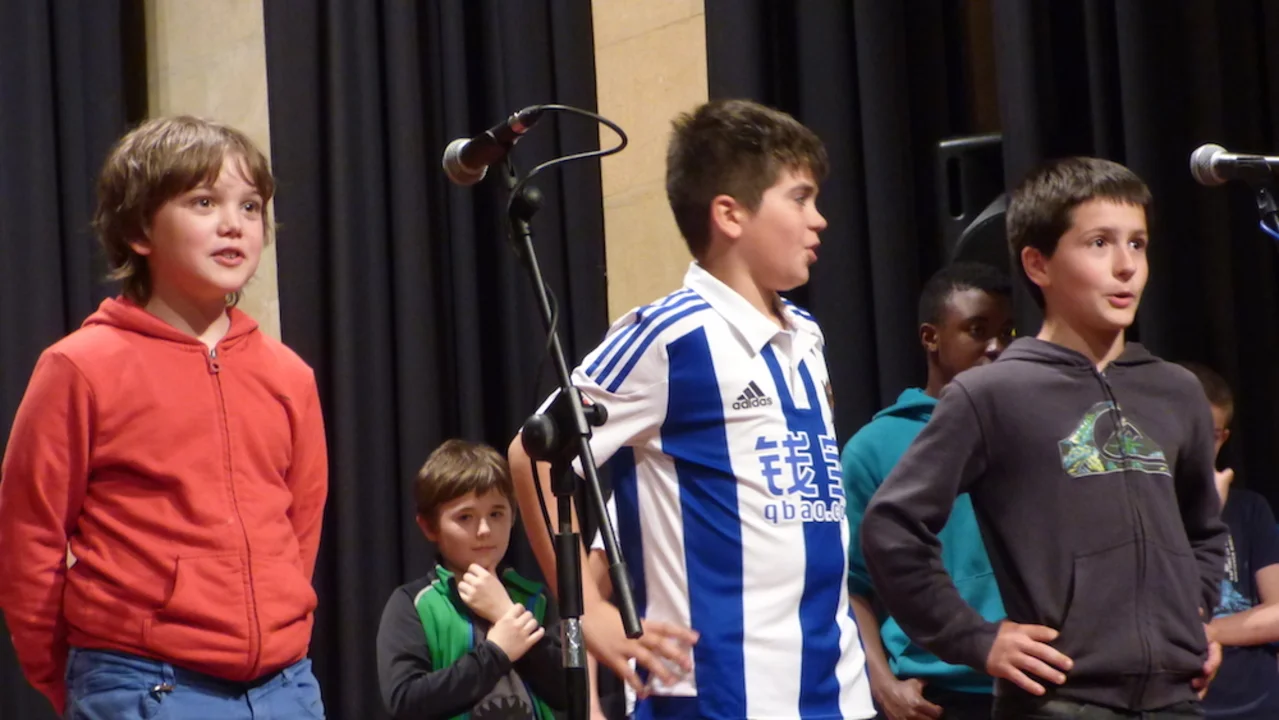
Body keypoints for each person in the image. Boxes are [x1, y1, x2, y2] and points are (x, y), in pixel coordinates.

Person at [508, 98, 874, 719]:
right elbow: (533, 451)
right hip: (716, 696)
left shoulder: (807, 335)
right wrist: (589, 612)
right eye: (800, 198)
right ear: (730, 214)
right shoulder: (670, 336)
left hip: (837, 691)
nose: (819, 220)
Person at [861, 156, 1227, 719]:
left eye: (1137, 243)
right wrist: (974, 638)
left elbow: (1202, 529)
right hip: (1059, 701)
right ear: (1038, 264)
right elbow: (892, 528)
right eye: (1099, 243)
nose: (1126, 266)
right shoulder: (993, 394)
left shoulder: (1175, 391)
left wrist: (1191, 616)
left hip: (1176, 700)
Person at [0, 116, 329, 717]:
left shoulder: (288, 375)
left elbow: (300, 530)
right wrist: (71, 681)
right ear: (139, 230)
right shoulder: (81, 367)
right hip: (144, 683)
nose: (233, 224)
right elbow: (29, 539)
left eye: (250, 206)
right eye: (204, 202)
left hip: (286, 686)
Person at [842, 262, 1013, 720]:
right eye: (977, 330)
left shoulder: (1027, 429)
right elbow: (850, 585)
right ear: (931, 337)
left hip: (1035, 680)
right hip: (938, 694)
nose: (996, 347)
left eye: (1006, 332)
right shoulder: (873, 448)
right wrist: (882, 683)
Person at [375, 439, 566, 720]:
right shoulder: (413, 604)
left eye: (496, 513)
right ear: (429, 527)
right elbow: (405, 701)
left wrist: (505, 613)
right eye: (465, 517)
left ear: (513, 515)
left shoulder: (536, 598)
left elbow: (568, 691)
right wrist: (496, 653)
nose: (485, 529)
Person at [1180, 363, 1279, 719]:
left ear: (1223, 438)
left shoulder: (1249, 509)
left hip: (1257, 701)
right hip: (1184, 702)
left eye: (1209, 435)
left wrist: (1208, 632)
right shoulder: (1138, 510)